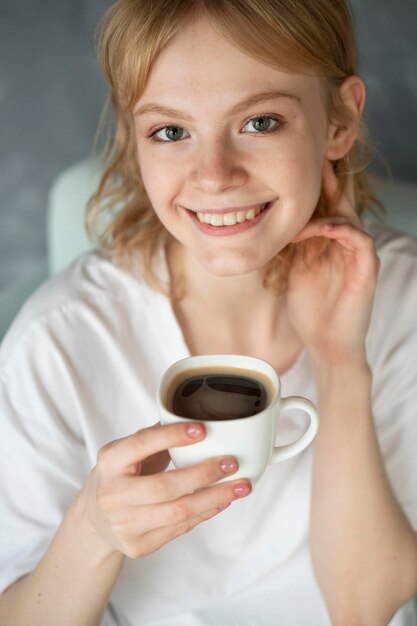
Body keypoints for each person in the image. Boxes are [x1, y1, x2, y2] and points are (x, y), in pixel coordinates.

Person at [0, 0, 416, 624]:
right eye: (171, 132)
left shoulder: (403, 297)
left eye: (260, 122)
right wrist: (93, 529)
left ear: (340, 119)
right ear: (133, 137)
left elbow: (363, 608)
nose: (214, 175)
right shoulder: (61, 339)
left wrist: (339, 364)